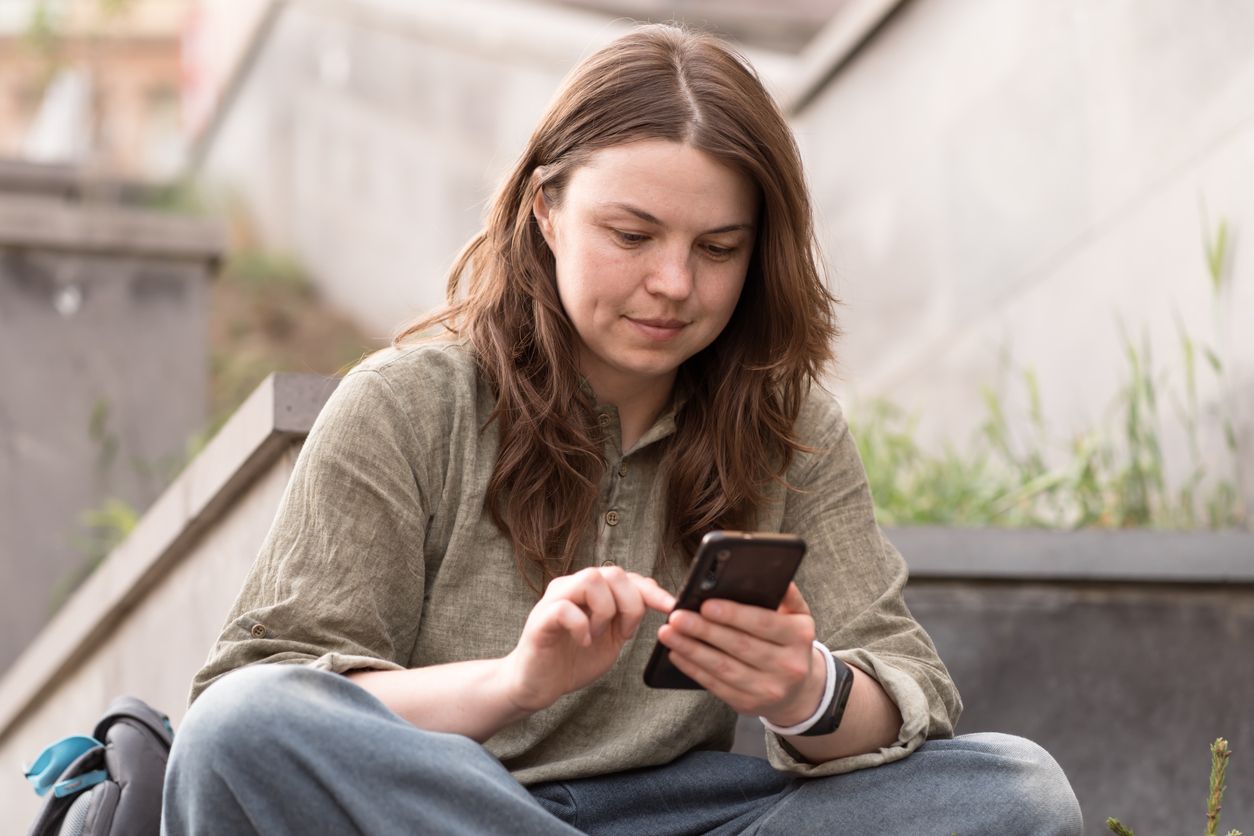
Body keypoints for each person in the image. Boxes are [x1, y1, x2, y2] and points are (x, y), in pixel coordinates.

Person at [163, 24, 1082, 836]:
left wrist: (808, 691)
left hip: (694, 810)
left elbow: (910, 688)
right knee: (242, 727)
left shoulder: (790, 426)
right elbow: (262, 700)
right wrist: (516, 684)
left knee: (1016, 794)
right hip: (451, 800)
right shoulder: (409, 406)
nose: (675, 283)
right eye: (632, 235)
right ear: (547, 213)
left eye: (717, 248)